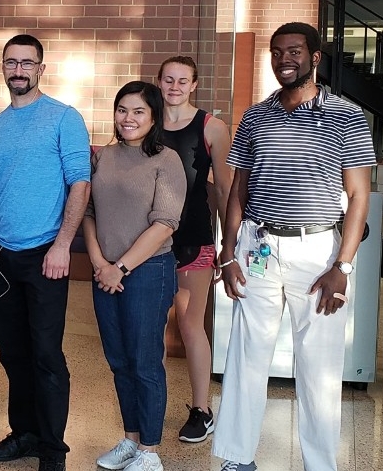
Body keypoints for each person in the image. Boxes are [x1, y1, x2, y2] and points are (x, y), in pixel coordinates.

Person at [212, 22, 376, 471]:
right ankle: (237, 458)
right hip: (258, 246)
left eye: (295, 51)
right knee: (246, 355)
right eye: (277, 52)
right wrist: (227, 253)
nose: (285, 59)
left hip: (319, 250)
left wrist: (342, 265)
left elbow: (359, 195)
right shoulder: (256, 115)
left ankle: (320, 464)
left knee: (320, 367)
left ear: (315, 57)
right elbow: (237, 192)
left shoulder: (346, 115)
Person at [0, 34, 90, 471]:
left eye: (27, 63)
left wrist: (63, 244)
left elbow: (80, 182)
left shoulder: (64, 118)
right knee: (12, 353)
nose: (18, 70)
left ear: (41, 69)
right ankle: (23, 434)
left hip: (47, 256)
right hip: (2, 258)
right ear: (2, 68)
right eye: (11, 63)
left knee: (46, 355)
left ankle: (53, 449)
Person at [82, 81, 186, 471]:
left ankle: (150, 452)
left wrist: (119, 267)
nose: (128, 118)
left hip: (147, 271)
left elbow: (165, 224)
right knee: (119, 360)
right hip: (104, 271)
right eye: (122, 110)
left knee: (144, 362)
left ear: (154, 116)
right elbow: (89, 213)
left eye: (138, 111)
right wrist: (99, 263)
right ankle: (130, 439)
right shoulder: (103, 157)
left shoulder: (166, 160)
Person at [154, 56, 232, 444]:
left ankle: (202, 410)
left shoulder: (212, 128)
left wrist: (225, 244)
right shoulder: (146, 120)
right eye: (168, 79)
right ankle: (153, 406)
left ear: (194, 85)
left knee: (188, 323)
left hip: (194, 238)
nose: (174, 86)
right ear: (159, 81)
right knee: (151, 327)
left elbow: (223, 189)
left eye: (182, 80)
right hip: (150, 240)